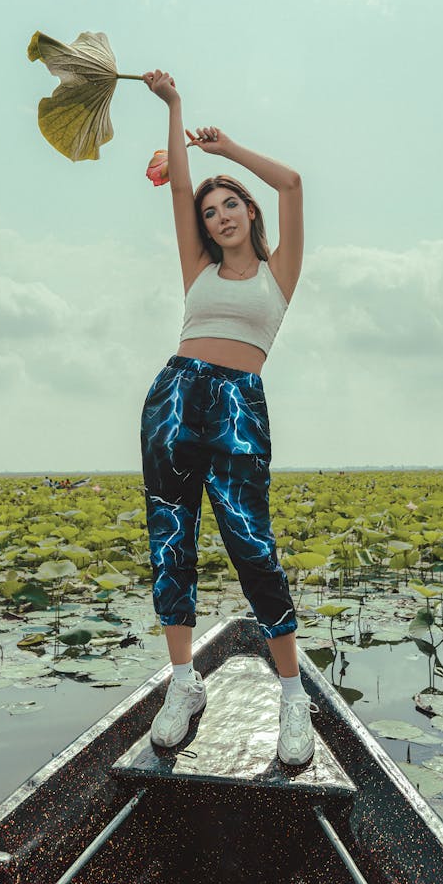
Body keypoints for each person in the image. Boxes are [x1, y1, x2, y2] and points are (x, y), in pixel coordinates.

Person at [141, 68, 315, 766]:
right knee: (170, 540)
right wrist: (175, 107)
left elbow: (294, 183)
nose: (219, 216)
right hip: (174, 399)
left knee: (253, 550)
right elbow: (179, 190)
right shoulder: (198, 270)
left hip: (238, 408)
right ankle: (183, 685)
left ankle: (292, 695)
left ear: (249, 209)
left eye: (230, 206)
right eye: (211, 212)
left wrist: (229, 151)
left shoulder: (281, 274)